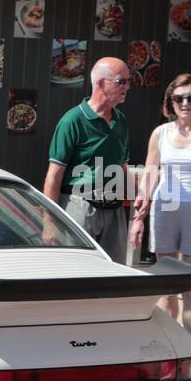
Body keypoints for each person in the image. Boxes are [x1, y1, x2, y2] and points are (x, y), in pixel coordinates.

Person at [131, 74, 191, 337]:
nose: (185, 103)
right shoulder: (160, 133)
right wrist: (140, 214)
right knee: (167, 284)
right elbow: (150, 174)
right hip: (166, 207)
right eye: (178, 98)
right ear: (170, 102)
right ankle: (170, 345)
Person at [43, 57, 132, 262]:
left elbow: (122, 167)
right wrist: (49, 223)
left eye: (129, 81)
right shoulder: (72, 121)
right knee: (77, 270)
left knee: (114, 273)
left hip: (114, 209)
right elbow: (54, 177)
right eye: (122, 81)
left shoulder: (121, 121)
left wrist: (135, 206)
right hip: (80, 205)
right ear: (101, 83)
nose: (127, 87)